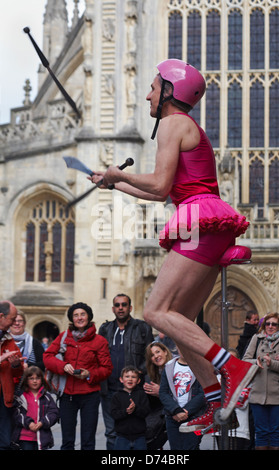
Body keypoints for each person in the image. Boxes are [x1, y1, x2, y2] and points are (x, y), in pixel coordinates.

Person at [89, 58, 258, 430]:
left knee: (154, 312)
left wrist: (120, 173)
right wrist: (114, 182)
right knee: (178, 326)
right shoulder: (182, 125)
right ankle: (217, 401)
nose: (148, 94)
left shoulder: (171, 122)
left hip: (200, 220)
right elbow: (159, 190)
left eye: (153, 87)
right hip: (206, 220)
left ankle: (233, 366)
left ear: (168, 91)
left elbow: (160, 184)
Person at [43, 302, 113, 450]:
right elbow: (47, 357)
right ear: (71, 319)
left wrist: (89, 374)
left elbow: (107, 369)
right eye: (76, 315)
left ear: (89, 317)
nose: (79, 318)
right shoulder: (63, 337)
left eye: (82, 314)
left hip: (90, 395)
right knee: (67, 441)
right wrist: (62, 366)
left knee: (88, 440)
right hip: (67, 394)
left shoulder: (99, 341)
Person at [98, 293, 154, 450]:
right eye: (117, 305)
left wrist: (138, 373)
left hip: (135, 390)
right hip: (109, 389)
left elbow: (149, 356)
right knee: (111, 432)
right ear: (113, 308)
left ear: (130, 307)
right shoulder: (105, 329)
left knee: (138, 432)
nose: (120, 308)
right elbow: (98, 356)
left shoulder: (142, 327)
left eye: (124, 305)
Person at [243, 312, 279, 450]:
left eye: (274, 324)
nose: (270, 326)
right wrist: (257, 362)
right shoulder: (257, 338)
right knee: (261, 432)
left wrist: (272, 364)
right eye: (267, 323)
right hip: (258, 393)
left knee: (276, 432)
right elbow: (245, 360)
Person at [159, 349, 206, 450]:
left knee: (191, 447)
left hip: (194, 416)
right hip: (172, 417)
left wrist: (187, 411)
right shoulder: (169, 366)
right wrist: (176, 410)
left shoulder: (200, 366)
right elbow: (163, 392)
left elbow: (203, 393)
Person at [11, 366, 59, 450]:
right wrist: (29, 423)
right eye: (31, 378)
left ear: (42, 379)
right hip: (25, 437)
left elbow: (54, 412)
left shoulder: (47, 397)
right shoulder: (21, 397)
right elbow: (16, 413)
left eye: (37, 378)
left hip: (42, 437)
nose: (34, 381)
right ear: (26, 380)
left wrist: (42, 423)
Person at [0, 300, 24, 450]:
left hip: (4, 398)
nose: (15, 322)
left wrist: (16, 365)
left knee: (5, 442)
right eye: (12, 319)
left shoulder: (9, 340)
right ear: (1, 316)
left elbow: (18, 372)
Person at [110, 366, 150, 450]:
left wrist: (135, 409)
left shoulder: (141, 394)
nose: (130, 379)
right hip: (122, 437)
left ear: (138, 380)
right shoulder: (116, 396)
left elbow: (146, 412)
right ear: (121, 379)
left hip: (140, 436)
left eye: (133, 377)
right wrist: (126, 411)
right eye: (127, 376)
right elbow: (114, 414)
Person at [143, 341, 172, 449]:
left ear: (165, 351)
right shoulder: (150, 375)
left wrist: (161, 393)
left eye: (158, 352)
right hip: (158, 413)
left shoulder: (176, 368)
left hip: (176, 411)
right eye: (152, 355)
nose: (156, 356)